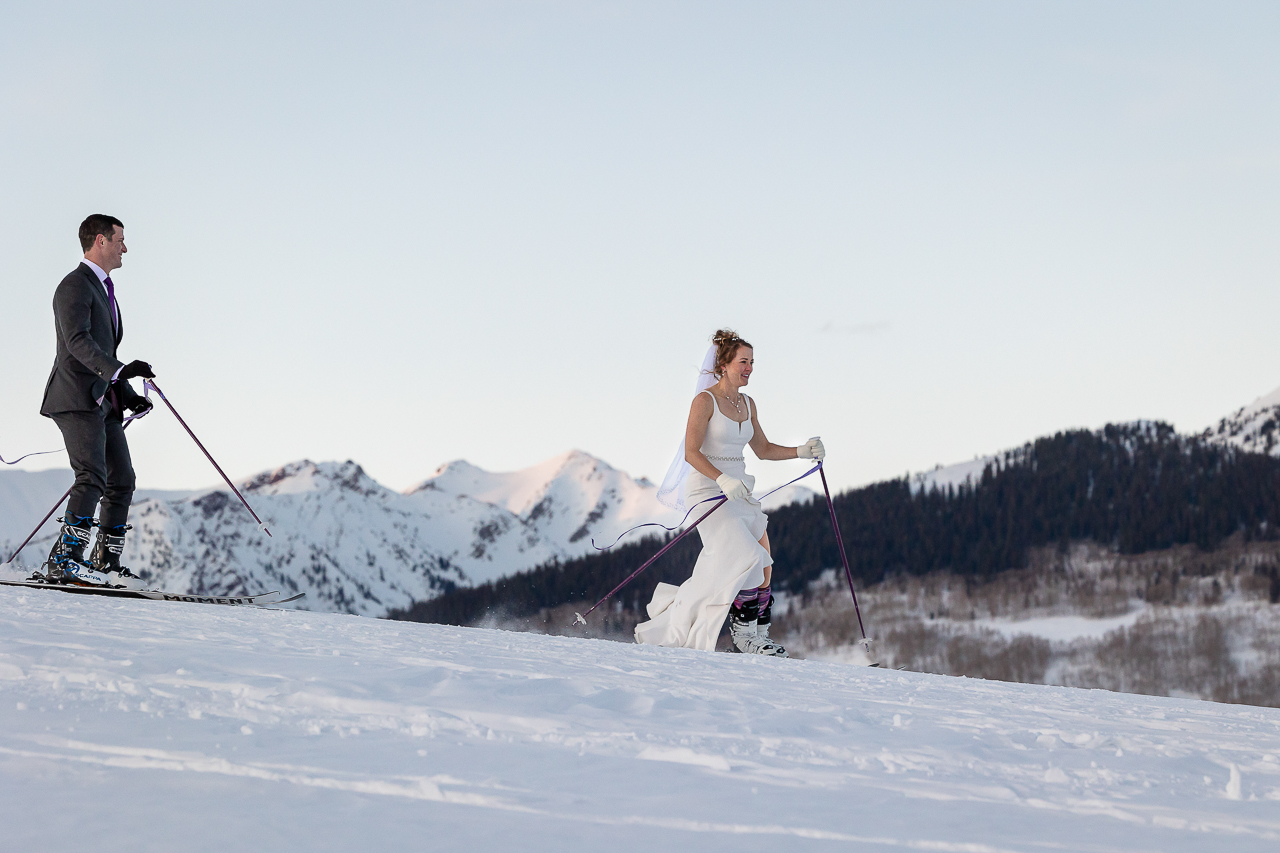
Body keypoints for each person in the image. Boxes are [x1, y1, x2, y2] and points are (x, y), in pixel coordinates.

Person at [635, 329, 824, 656]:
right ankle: (743, 637)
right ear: (723, 365)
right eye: (743, 361)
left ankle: (758, 633)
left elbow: (762, 449)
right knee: (747, 556)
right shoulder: (704, 401)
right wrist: (721, 478)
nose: (749, 367)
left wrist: (801, 451)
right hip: (707, 491)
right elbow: (691, 452)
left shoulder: (748, 403)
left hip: (740, 492)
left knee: (764, 566)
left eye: (752, 362)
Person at [37, 214, 155, 587]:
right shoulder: (74, 285)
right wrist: (120, 370)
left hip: (102, 400)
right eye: (120, 239)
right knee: (91, 476)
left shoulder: (104, 289)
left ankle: (105, 563)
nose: (125, 247)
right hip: (74, 397)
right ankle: (65, 561)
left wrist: (129, 393)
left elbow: (103, 348)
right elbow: (78, 343)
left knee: (122, 479)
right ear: (100, 240)